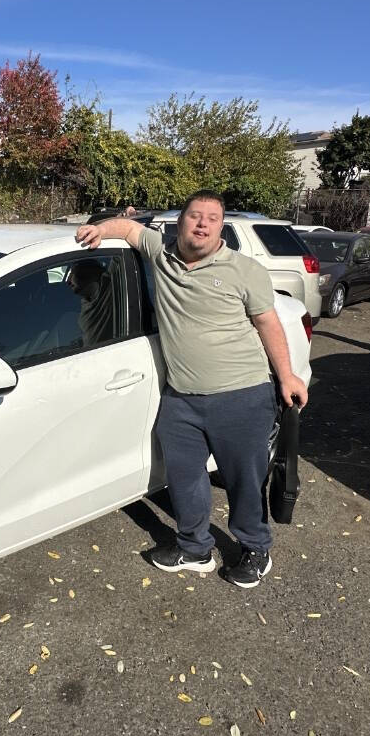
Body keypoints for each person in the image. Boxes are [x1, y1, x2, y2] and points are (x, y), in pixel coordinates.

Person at [74, 191, 309, 590]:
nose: (201, 224)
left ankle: (255, 548)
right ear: (179, 222)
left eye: (211, 219)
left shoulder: (243, 270)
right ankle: (194, 547)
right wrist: (99, 229)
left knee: (243, 480)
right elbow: (129, 229)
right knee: (185, 479)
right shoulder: (161, 255)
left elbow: (268, 324)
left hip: (241, 395)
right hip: (181, 398)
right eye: (194, 216)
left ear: (221, 228)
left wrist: (287, 376)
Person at [67, 258, 115, 346]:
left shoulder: (108, 288)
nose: (68, 281)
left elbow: (115, 261)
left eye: (72, 273)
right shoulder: (84, 303)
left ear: (87, 272)